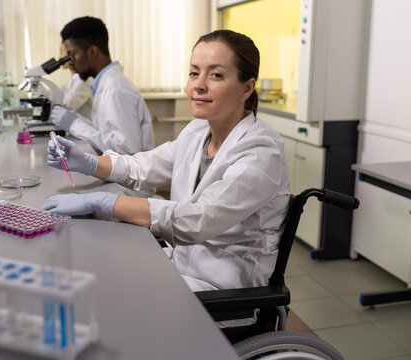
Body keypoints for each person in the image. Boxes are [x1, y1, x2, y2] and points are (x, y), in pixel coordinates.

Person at [42, 29, 291, 292]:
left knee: (105, 294)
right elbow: (143, 166)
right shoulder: (197, 132)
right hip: (181, 264)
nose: (199, 84)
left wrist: (102, 201)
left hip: (222, 288)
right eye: (194, 73)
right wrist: (89, 163)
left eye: (216, 75)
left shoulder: (260, 152)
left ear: (246, 88)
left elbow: (196, 221)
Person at [52, 16, 154, 155]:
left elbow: (127, 150)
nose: (70, 62)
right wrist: (77, 120)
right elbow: (105, 134)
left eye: (72, 54)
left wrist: (75, 124)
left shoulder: (116, 89)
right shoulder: (104, 86)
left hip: (127, 176)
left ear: (93, 51)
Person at [59, 42, 93, 120]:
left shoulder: (86, 79)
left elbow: (67, 106)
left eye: (61, 52)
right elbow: (57, 95)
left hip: (88, 129)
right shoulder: (75, 78)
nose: (59, 56)